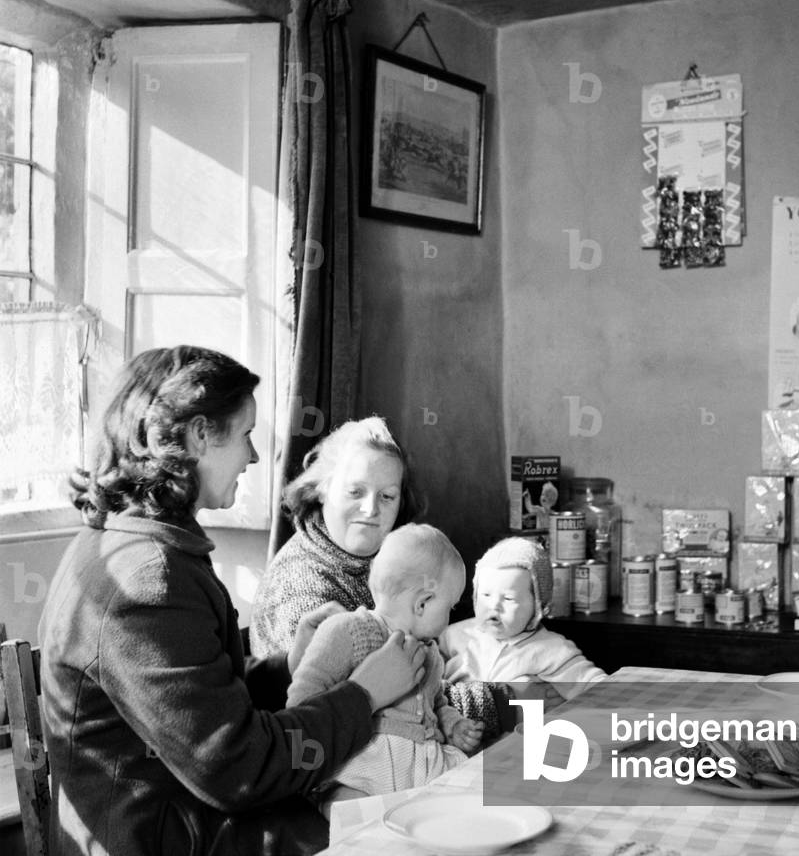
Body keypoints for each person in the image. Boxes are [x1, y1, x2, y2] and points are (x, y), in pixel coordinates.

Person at [39, 346, 426, 856]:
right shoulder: (147, 581)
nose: (254, 456)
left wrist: (287, 667)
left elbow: (205, 705)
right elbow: (235, 766)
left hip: (187, 815)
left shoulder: (133, 544)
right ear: (200, 435)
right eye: (245, 435)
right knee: (406, 834)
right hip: (165, 837)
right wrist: (363, 694)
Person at [288, 524, 483, 815]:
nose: (449, 618)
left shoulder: (431, 653)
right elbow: (303, 702)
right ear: (423, 603)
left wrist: (453, 724)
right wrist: (304, 764)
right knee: (346, 805)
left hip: (421, 764)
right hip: (365, 763)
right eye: (450, 607)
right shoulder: (349, 630)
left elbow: (436, 703)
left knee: (475, 785)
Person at [251, 416, 418, 657]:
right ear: (321, 489)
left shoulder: (390, 557)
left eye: (387, 496)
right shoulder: (302, 592)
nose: (371, 509)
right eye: (355, 492)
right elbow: (353, 690)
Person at [441, 537, 607, 708]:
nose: (494, 605)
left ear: (538, 606)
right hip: (457, 727)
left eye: (508, 598)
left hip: (518, 732)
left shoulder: (551, 649)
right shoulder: (452, 635)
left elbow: (593, 683)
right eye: (485, 595)